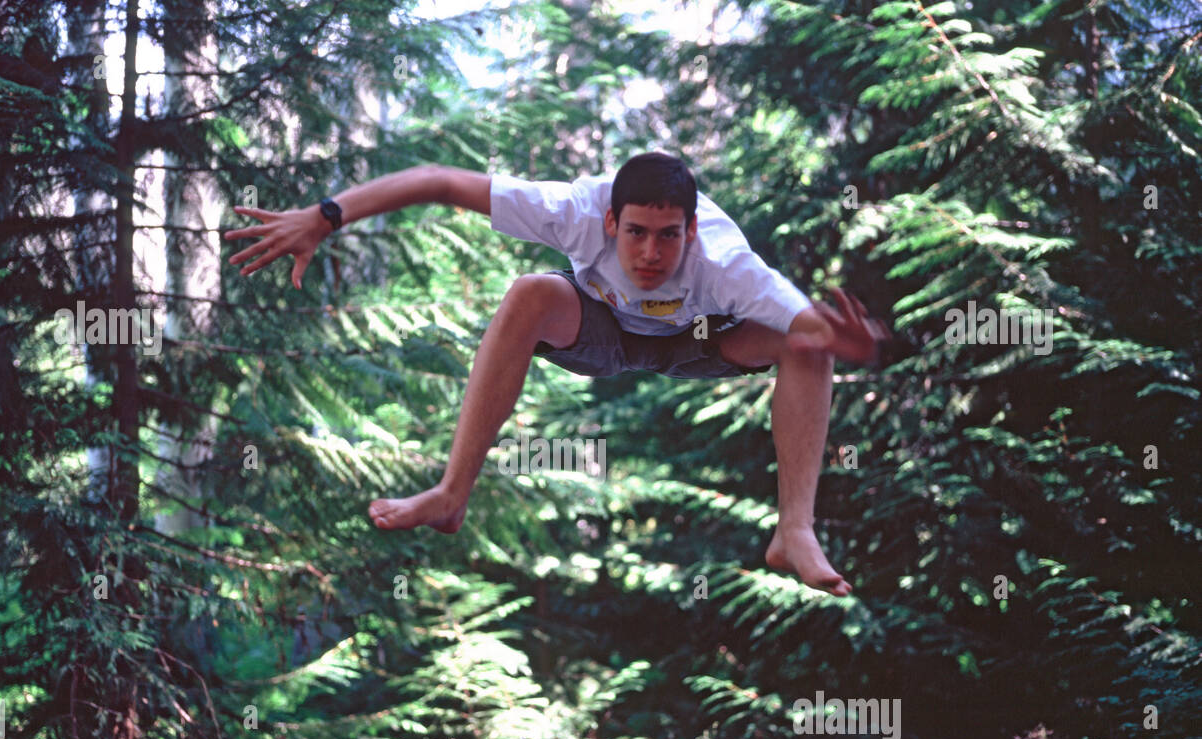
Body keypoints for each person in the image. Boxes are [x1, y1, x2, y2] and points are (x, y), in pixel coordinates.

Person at [224, 153, 890, 596]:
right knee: (528, 294)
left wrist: (847, 342)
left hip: (699, 343)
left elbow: (804, 325)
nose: (651, 254)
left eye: (668, 236)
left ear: (691, 229)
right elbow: (439, 181)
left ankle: (792, 530)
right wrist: (325, 215)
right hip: (599, 331)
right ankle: (452, 494)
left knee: (811, 345)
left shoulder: (726, 261)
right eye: (635, 234)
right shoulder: (571, 210)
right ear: (609, 221)